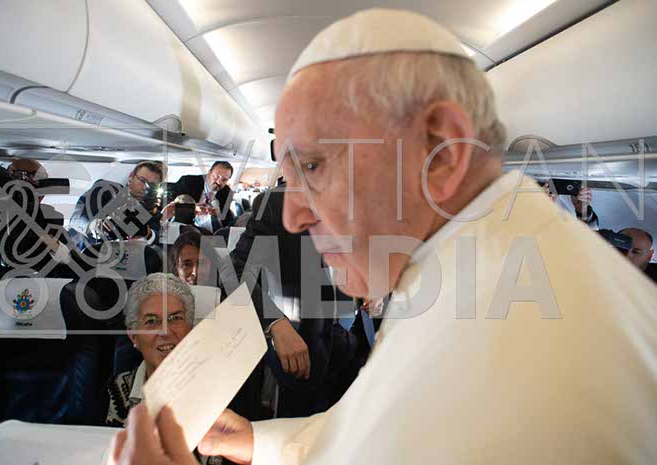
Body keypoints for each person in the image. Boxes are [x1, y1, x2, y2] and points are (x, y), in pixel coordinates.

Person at [112, 9, 657, 465]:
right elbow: (379, 429)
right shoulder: (470, 264)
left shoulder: (525, 350)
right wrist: (261, 441)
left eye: (314, 167)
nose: (294, 216)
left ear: (440, 151)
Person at [223, 189, 365, 417]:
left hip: (352, 341)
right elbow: (232, 271)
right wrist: (275, 323)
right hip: (299, 350)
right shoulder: (275, 205)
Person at [105, 273, 196, 427]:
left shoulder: (219, 391)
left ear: (190, 329)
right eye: (151, 321)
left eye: (175, 318)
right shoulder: (112, 392)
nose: (165, 332)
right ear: (134, 336)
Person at [69, 160, 167, 250]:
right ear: (131, 177)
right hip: (83, 252)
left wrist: (148, 235)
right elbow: (76, 219)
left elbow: (157, 240)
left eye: (151, 185)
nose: (145, 187)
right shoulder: (105, 190)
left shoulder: (150, 211)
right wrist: (96, 226)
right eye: (142, 180)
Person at [174, 161, 235, 231]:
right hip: (184, 227)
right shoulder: (187, 182)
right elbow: (172, 207)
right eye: (217, 176)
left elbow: (226, 220)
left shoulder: (227, 193)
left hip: (209, 232)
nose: (219, 182)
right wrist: (192, 209)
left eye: (224, 180)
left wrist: (217, 215)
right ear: (209, 173)